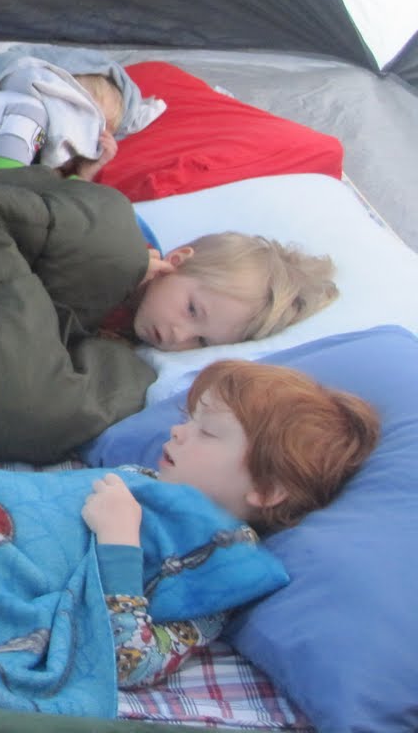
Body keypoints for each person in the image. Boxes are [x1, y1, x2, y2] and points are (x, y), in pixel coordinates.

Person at [84, 359, 379, 686]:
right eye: (187, 419)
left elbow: (130, 662)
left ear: (266, 490)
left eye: (207, 432)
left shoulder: (218, 575)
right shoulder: (141, 477)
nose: (177, 431)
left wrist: (119, 542)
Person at [114, 231, 337, 352]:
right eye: (192, 310)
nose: (180, 336)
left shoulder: (130, 342)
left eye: (202, 341)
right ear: (176, 261)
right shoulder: (117, 252)